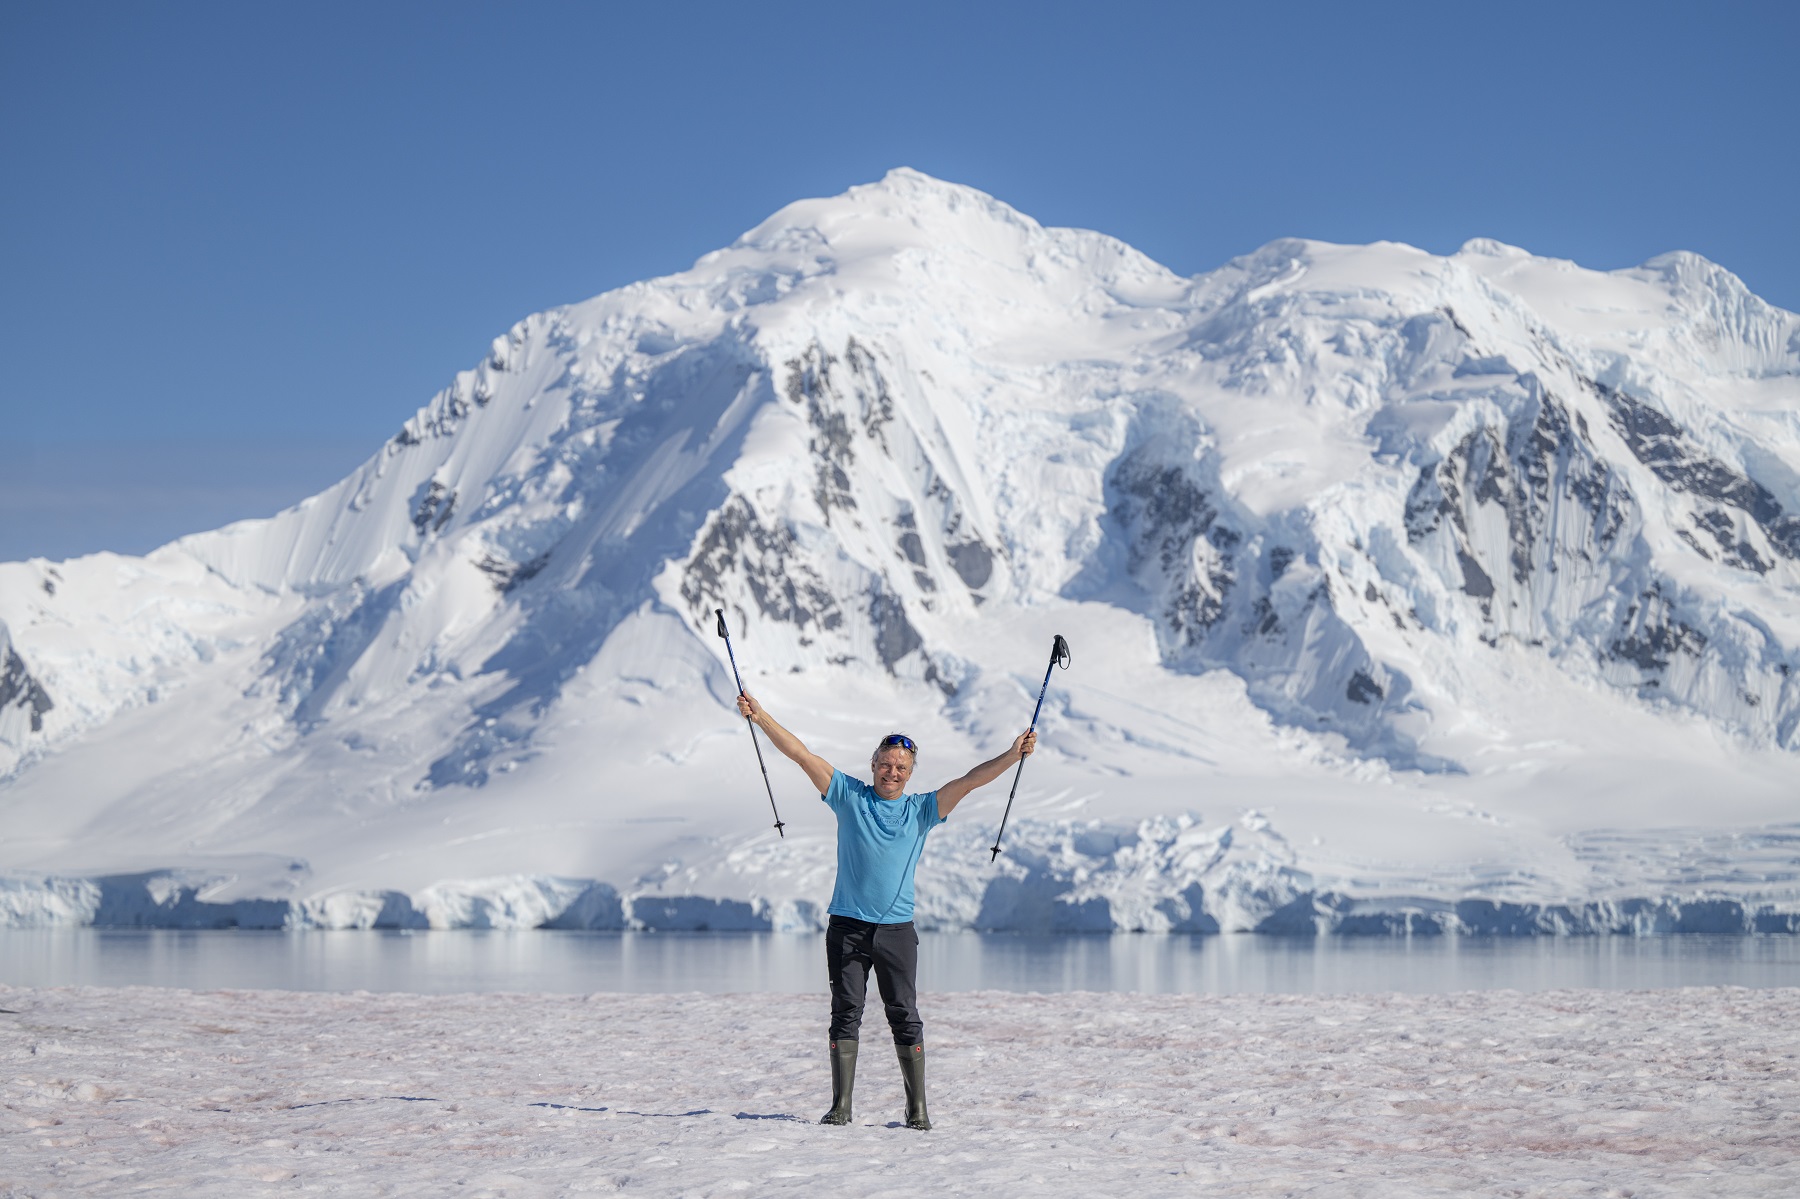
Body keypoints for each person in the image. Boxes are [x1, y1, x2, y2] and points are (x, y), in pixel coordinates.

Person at [735, 691, 1036, 1131]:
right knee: (845, 1011)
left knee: (904, 1016)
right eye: (885, 764)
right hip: (848, 927)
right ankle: (841, 1106)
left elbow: (970, 781)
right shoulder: (848, 796)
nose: (891, 773)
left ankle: (917, 1111)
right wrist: (760, 717)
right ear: (873, 764)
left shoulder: (923, 810)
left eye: (901, 768)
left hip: (896, 930)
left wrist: (1012, 755)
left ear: (909, 774)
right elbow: (801, 755)